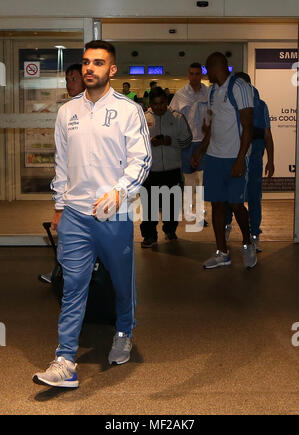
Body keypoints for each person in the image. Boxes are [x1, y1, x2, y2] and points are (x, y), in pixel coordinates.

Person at [33, 39, 151, 388]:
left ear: (112, 70)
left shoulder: (129, 111)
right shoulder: (67, 112)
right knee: (72, 287)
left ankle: (124, 331)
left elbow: (141, 159)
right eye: (86, 62)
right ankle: (65, 359)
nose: (89, 68)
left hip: (113, 216)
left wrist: (121, 191)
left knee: (120, 281)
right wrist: (58, 206)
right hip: (75, 215)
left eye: (98, 63)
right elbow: (61, 163)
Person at [191, 52, 257, 270]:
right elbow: (209, 125)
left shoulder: (239, 87)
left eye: (206, 70)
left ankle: (248, 243)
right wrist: (201, 150)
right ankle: (222, 252)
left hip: (234, 158)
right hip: (214, 158)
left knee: (237, 205)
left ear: (214, 67)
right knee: (217, 205)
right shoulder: (211, 92)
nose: (205, 74)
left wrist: (240, 159)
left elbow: (248, 126)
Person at [39, 64, 86, 284]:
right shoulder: (65, 111)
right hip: (70, 186)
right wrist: (59, 201)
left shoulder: (94, 108)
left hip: (90, 188)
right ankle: (61, 274)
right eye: (67, 80)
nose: (70, 84)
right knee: (66, 235)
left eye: (74, 79)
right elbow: (61, 156)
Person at [225, 72, 275, 253]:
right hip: (234, 155)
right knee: (231, 196)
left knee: (254, 196)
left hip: (254, 158)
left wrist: (271, 160)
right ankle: (226, 228)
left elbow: (267, 135)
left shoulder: (261, 105)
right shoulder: (230, 104)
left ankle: (254, 234)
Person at [140, 87, 192, 247]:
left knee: (172, 205)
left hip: (172, 169)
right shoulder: (142, 119)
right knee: (149, 206)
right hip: (150, 171)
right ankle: (149, 236)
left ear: (166, 101)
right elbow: (135, 144)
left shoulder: (177, 118)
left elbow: (187, 140)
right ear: (150, 104)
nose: (159, 107)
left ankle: (170, 230)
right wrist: (150, 142)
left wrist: (171, 142)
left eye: (162, 103)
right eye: (155, 104)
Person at [170, 63, 208, 226]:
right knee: (188, 181)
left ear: (201, 75)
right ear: (188, 75)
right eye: (192, 73)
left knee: (202, 182)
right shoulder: (181, 94)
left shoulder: (208, 93)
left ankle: (200, 214)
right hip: (186, 143)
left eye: (197, 74)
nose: (194, 76)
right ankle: (188, 212)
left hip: (204, 143)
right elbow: (172, 116)